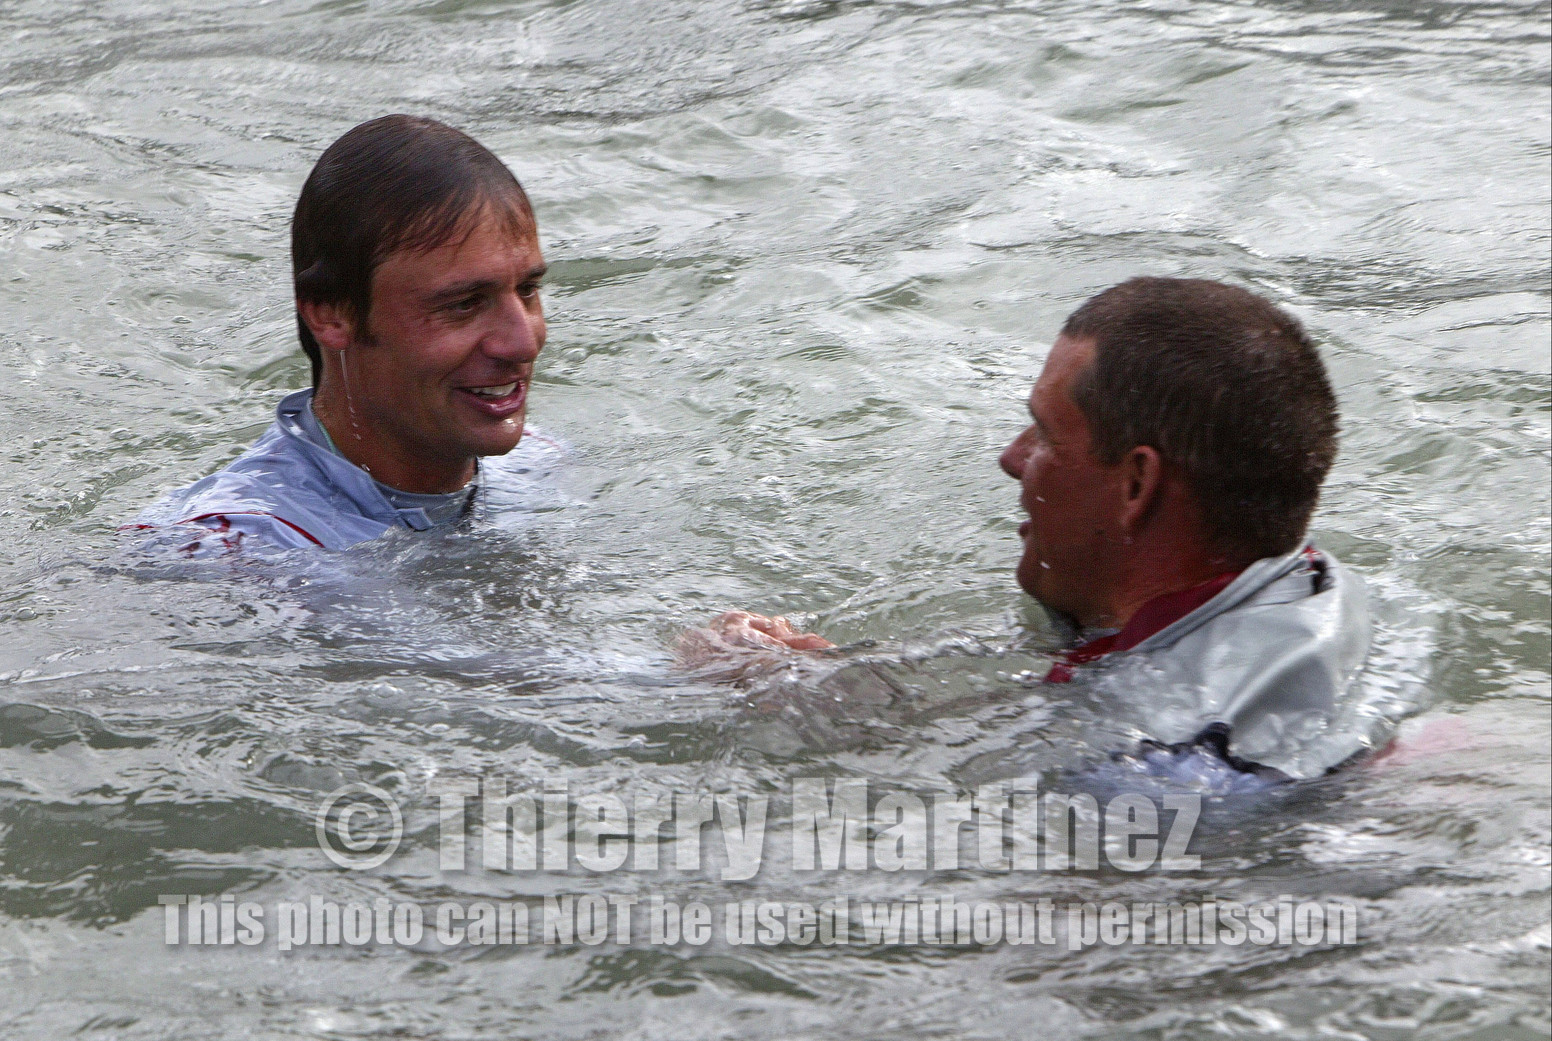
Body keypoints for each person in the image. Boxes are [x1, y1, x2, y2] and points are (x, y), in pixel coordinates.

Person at [697, 278, 1372, 779]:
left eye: (1045, 433)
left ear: (1136, 485)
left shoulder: (1160, 765)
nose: (1012, 457)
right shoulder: (1313, 591)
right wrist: (818, 688)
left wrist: (777, 696)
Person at [134, 114, 553, 552]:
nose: (523, 342)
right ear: (331, 316)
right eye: (463, 304)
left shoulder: (541, 464)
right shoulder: (225, 550)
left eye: (527, 290)